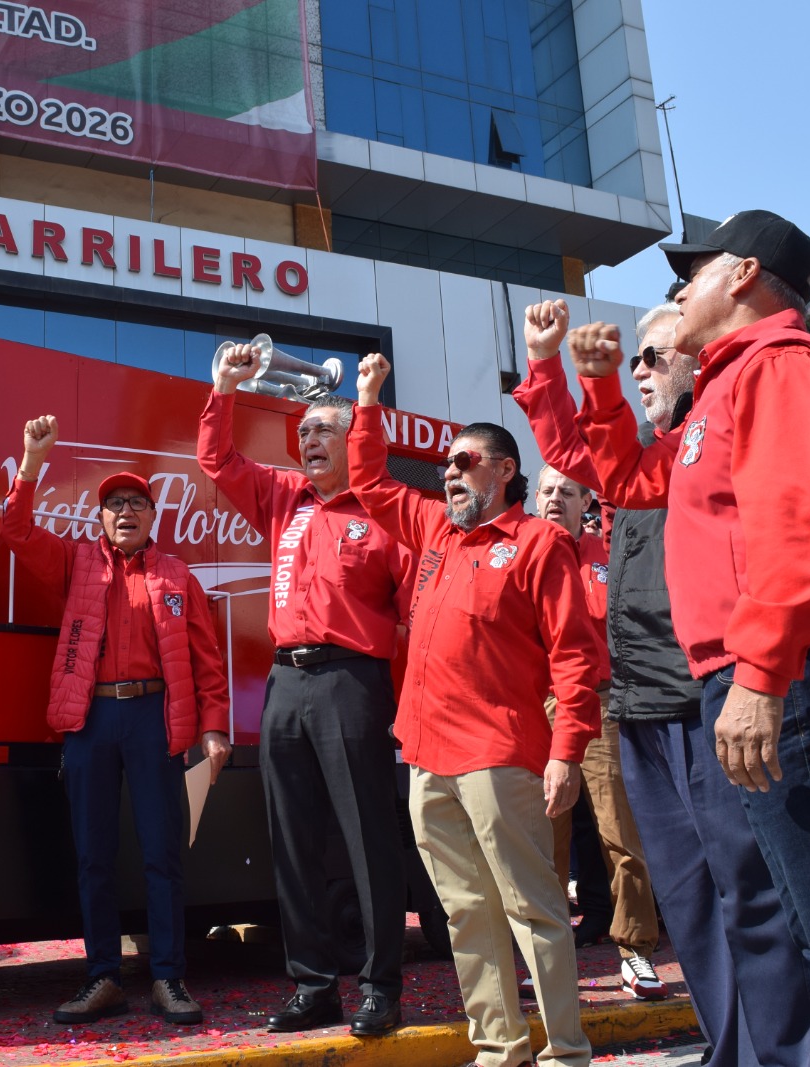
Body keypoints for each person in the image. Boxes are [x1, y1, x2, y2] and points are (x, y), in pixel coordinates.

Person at [572, 210, 810, 1065]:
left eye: (691, 274)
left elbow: (793, 530)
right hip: (777, 673)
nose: (680, 291)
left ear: (742, 274)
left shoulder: (779, 366)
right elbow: (634, 480)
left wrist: (761, 676)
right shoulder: (726, 384)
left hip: (800, 672)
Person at [513, 297, 810, 1066]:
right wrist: (545, 361)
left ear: (701, 361)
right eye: (637, 360)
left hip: (712, 699)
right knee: (690, 904)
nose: (642, 370)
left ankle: (787, 1050)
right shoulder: (639, 461)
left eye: (656, 356)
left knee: (751, 892)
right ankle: (731, 1046)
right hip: (640, 707)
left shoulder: (711, 438)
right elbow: (569, 444)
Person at [351, 352, 600, 1067]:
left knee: (534, 911)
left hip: (501, 754)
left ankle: (566, 1051)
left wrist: (566, 752)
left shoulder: (540, 543)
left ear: (505, 472)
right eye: (446, 464)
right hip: (428, 758)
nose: (449, 473)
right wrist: (369, 401)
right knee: (464, 912)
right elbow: (368, 481)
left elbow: (576, 655)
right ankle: (501, 1048)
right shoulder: (434, 528)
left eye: (464, 461)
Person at [197, 347, 410, 1036]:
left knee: (368, 839)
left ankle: (380, 985)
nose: (308, 439)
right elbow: (218, 463)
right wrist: (222, 390)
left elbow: (411, 622)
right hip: (286, 683)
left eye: (323, 430)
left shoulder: (388, 517)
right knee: (291, 841)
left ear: (356, 441)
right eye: (304, 432)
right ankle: (314, 984)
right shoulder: (285, 498)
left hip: (355, 681)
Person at [0, 416, 232, 1025]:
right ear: (101, 518)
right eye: (115, 504)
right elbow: (15, 529)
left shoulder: (176, 576)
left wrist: (214, 726)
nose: (125, 511)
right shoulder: (77, 564)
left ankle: (168, 979)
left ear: (153, 517)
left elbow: (207, 657)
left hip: (155, 718)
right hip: (92, 718)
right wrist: (30, 459)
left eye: (137, 503)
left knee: (161, 854)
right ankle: (102, 977)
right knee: (93, 855)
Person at [534, 465, 665, 999]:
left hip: (602, 703)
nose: (554, 499)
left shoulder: (607, 559)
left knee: (620, 833)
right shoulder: (520, 553)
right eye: (545, 490)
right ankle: (548, 960)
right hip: (539, 706)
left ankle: (635, 951)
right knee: (546, 839)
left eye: (566, 491)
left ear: (586, 501)